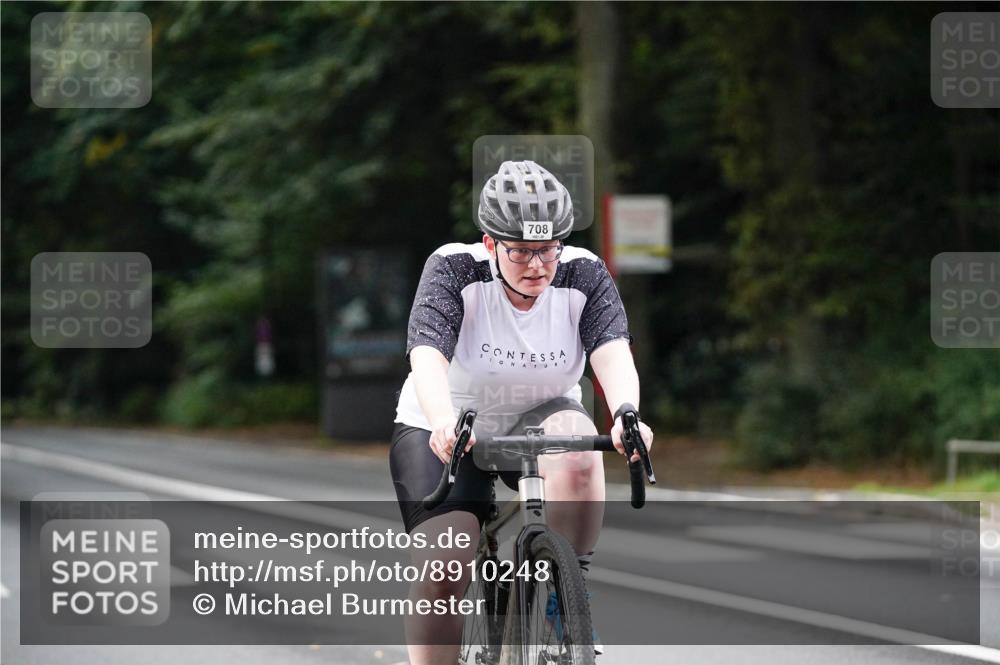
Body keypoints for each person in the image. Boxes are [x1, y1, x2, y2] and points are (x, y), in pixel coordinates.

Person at [389, 159, 654, 664]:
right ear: (490, 243)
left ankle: (563, 597)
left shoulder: (583, 274)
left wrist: (626, 413)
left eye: (549, 249)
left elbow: (613, 351)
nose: (538, 265)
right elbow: (427, 354)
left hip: (541, 416)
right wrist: (443, 418)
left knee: (578, 448)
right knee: (446, 564)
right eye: (522, 252)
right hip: (450, 421)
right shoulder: (454, 268)